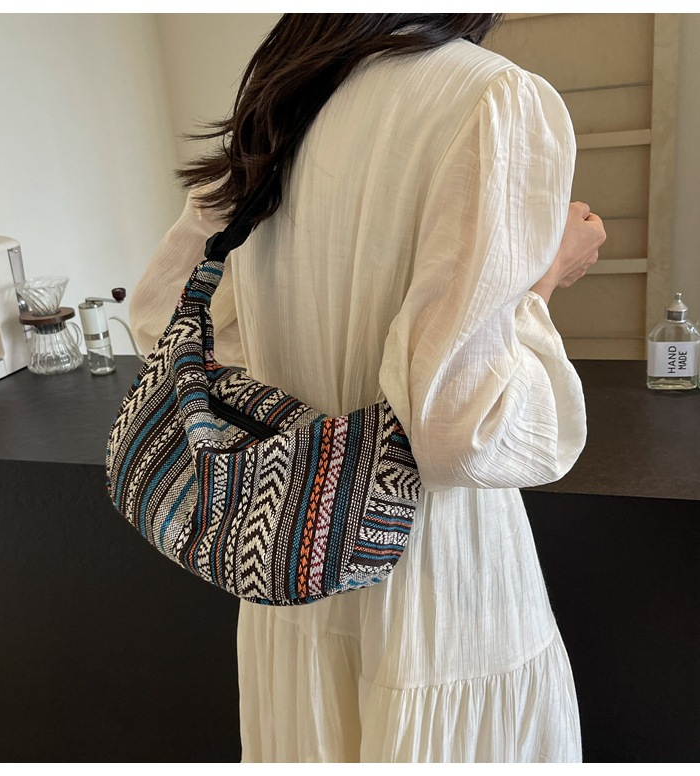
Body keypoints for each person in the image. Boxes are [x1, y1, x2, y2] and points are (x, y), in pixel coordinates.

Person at [129, 14, 606, 763]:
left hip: (289, 560)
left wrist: (298, 376)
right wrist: (542, 281)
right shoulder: (493, 98)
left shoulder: (285, 90)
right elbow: (462, 433)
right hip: (437, 596)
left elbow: (160, 313)